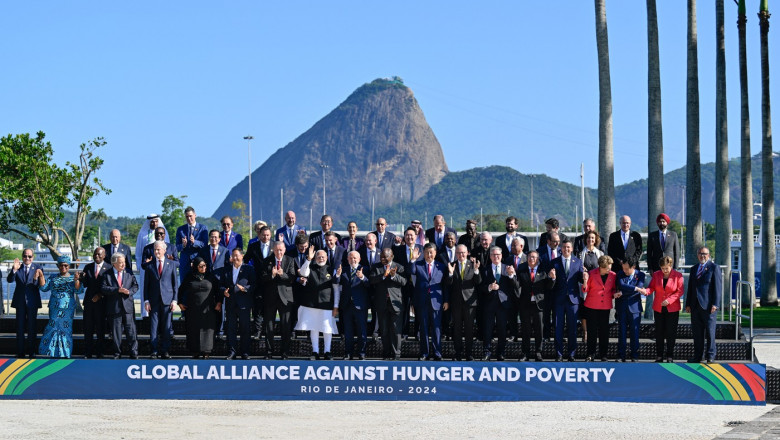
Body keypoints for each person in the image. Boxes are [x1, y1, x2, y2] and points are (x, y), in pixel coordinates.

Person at [296, 248, 340, 360]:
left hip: (327, 304)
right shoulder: (310, 267)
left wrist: (336, 306)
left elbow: (336, 289)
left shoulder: (331, 269)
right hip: (311, 304)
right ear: (315, 258)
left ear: (326, 258)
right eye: (319, 257)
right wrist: (308, 259)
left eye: (323, 257)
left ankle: (327, 351)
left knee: (327, 329)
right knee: (313, 328)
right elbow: (303, 273)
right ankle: (315, 351)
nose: (321, 258)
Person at [409, 243, 449, 361]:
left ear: (435, 253)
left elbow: (445, 285)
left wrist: (446, 301)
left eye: (431, 252)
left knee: (437, 328)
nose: (429, 255)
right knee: (424, 328)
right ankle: (424, 353)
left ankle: (437, 353)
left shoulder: (441, 266)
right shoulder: (418, 265)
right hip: (422, 302)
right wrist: (413, 259)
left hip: (436, 302)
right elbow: (410, 271)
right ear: (423, 253)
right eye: (427, 252)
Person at [480, 246, 519, 361]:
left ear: (501, 256)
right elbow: (480, 287)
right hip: (489, 304)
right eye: (493, 255)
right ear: (490, 256)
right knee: (487, 329)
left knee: (502, 330)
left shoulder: (507, 268)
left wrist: (511, 275)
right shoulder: (485, 269)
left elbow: (515, 286)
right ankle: (487, 352)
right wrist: (489, 287)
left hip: (503, 304)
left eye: (498, 255)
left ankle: (500, 353)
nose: (496, 257)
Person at [38, 255, 81, 358]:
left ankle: (64, 354)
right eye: (61, 265)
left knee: (65, 331)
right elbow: (43, 288)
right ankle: (49, 352)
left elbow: (78, 290)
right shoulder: (53, 277)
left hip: (67, 309)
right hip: (54, 308)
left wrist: (76, 280)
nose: (63, 268)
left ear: (69, 266)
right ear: (58, 266)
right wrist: (41, 275)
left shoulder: (72, 277)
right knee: (52, 328)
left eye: (66, 265)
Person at [642, 255, 684, 363]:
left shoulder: (678, 275)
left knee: (671, 332)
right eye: (662, 268)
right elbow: (651, 287)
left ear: (671, 266)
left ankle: (670, 355)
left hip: (672, 308)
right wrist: (646, 291)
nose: (664, 271)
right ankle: (659, 356)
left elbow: (680, 291)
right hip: (659, 308)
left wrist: (669, 300)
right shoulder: (656, 275)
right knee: (659, 332)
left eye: (667, 268)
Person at [549, 240, 585, 362]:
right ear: (561, 248)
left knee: (572, 328)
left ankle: (571, 354)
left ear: (572, 248)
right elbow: (550, 283)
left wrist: (585, 277)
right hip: (558, 299)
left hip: (573, 300)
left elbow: (581, 279)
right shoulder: (554, 262)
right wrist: (552, 278)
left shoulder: (578, 262)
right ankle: (558, 354)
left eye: (568, 247)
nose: (566, 249)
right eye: (564, 247)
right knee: (558, 327)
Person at [178, 256, 221, 359]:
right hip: (193, 309)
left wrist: (219, 302)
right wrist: (180, 303)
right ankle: (195, 351)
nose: (203, 268)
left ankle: (206, 351)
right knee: (193, 330)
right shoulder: (189, 276)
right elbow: (181, 290)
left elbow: (218, 290)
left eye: (204, 265)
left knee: (207, 331)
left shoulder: (211, 276)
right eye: (200, 266)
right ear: (196, 267)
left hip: (208, 310)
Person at [143, 240, 179, 359]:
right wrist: (146, 301)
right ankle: (153, 350)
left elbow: (175, 284)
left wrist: (174, 300)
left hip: (167, 301)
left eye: (159, 249)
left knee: (166, 327)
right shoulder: (149, 266)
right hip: (153, 301)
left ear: (164, 250)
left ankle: (165, 351)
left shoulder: (172, 264)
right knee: (153, 327)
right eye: (155, 250)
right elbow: (146, 285)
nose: (156, 252)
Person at [369, 248, 407, 360]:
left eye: (385, 257)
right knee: (384, 330)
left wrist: (394, 276)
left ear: (392, 256)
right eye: (381, 257)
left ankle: (396, 354)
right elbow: (371, 280)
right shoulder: (376, 267)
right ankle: (386, 353)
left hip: (396, 303)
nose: (383, 259)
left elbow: (404, 282)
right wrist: (383, 276)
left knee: (396, 330)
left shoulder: (399, 267)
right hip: (381, 303)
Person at [685, 246, 722, 363]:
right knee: (697, 333)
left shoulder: (714, 268)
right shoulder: (694, 268)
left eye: (705, 254)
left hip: (709, 306)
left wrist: (715, 304)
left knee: (710, 332)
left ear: (709, 255)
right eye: (700, 254)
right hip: (695, 306)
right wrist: (688, 304)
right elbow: (690, 287)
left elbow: (718, 287)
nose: (703, 256)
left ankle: (710, 355)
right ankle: (698, 356)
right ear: (697, 255)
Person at [261, 241, 297, 359]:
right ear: (273, 250)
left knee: (285, 326)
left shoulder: (290, 260)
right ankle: (269, 352)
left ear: (285, 250)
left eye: (281, 250)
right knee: (269, 326)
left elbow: (292, 277)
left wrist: (282, 275)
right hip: (270, 298)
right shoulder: (267, 260)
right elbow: (262, 277)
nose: (279, 252)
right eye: (277, 250)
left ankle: (285, 352)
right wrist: (271, 275)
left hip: (285, 298)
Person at [445, 245, 481, 361]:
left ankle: (469, 353)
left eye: (463, 253)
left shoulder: (473, 265)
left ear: (467, 253)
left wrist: (476, 271)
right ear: (456, 254)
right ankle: (458, 353)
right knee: (457, 329)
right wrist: (450, 274)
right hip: (456, 302)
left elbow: (478, 282)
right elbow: (447, 284)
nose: (461, 255)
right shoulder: (452, 265)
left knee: (469, 329)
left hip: (470, 302)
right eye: (459, 253)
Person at [516, 251, 553, 361]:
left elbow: (548, 287)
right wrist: (512, 275)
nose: (531, 259)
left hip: (539, 304)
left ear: (538, 259)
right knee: (525, 330)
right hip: (525, 303)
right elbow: (517, 284)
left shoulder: (543, 269)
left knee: (539, 330)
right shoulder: (522, 268)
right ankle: (525, 353)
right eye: (530, 257)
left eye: (534, 257)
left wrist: (552, 279)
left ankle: (538, 352)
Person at [101, 253, 139, 359]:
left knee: (131, 331)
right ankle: (117, 353)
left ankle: (134, 352)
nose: (123, 264)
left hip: (128, 306)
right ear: (114, 263)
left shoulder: (129, 273)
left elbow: (135, 285)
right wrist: (117, 290)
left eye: (124, 262)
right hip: (114, 307)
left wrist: (129, 292)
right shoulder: (107, 274)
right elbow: (103, 288)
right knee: (116, 332)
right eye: (121, 262)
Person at [7, 249, 43, 358]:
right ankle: (20, 352)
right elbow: (9, 280)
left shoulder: (38, 268)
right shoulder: (18, 267)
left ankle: (32, 352)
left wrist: (37, 278)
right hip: (20, 302)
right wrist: (14, 269)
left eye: (29, 256)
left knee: (32, 328)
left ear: (33, 257)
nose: (27, 258)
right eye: (25, 256)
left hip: (32, 302)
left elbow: (40, 285)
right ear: (22, 257)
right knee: (20, 328)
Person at [645, 213, 680, 319]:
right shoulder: (652, 235)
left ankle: (669, 317)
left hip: (670, 270)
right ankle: (658, 317)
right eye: (660, 221)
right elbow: (649, 253)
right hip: (657, 270)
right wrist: (650, 268)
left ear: (667, 223)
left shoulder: (673, 235)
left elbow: (676, 252)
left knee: (671, 292)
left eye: (663, 221)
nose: (662, 223)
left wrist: (675, 269)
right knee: (658, 294)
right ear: (657, 223)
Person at [222, 248, 255, 360]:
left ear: (242, 256)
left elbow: (254, 285)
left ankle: (245, 352)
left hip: (244, 304)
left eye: (237, 255)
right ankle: (232, 352)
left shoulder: (249, 269)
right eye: (233, 256)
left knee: (245, 328)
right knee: (231, 329)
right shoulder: (226, 270)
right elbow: (221, 284)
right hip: (230, 303)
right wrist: (224, 291)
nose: (235, 258)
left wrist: (245, 289)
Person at [581, 255, 615, 362]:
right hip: (591, 307)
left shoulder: (613, 275)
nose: (609, 270)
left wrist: (615, 294)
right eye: (607, 268)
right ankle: (590, 354)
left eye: (610, 267)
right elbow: (584, 290)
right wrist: (585, 281)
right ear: (601, 267)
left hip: (605, 307)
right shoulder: (591, 274)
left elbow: (613, 289)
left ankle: (603, 355)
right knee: (591, 332)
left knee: (604, 332)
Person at [338, 251, 371, 360]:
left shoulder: (365, 269)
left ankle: (361, 353)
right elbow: (336, 282)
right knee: (348, 331)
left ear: (359, 259)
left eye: (355, 258)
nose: (353, 260)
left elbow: (369, 285)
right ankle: (348, 353)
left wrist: (362, 277)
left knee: (362, 331)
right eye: (351, 258)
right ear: (348, 259)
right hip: (347, 305)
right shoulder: (344, 269)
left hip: (360, 305)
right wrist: (337, 275)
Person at [393, 227, 423, 339]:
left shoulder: (421, 249)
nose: (409, 237)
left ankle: (418, 333)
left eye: (412, 235)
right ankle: (404, 333)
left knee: (418, 309)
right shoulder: (398, 250)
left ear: (416, 237)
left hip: (418, 285)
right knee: (404, 309)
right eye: (407, 235)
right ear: (404, 237)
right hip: (403, 284)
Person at [614, 257, 645, 362]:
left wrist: (623, 293)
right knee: (621, 333)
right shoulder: (620, 274)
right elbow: (622, 285)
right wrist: (635, 288)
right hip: (622, 307)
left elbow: (639, 288)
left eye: (627, 269)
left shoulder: (641, 275)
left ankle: (634, 355)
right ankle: (621, 355)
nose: (625, 271)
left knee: (634, 333)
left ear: (634, 267)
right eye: (623, 268)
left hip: (635, 308)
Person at [82, 247, 111, 358]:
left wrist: (101, 295)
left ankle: (100, 352)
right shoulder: (88, 267)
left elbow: (110, 286)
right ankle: (88, 352)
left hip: (102, 303)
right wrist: (81, 278)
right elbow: (85, 284)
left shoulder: (109, 268)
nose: (96, 256)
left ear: (104, 255)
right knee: (88, 328)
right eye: (95, 254)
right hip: (89, 302)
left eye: (99, 254)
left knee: (100, 329)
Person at [576, 229, 604, 342]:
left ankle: (594, 332)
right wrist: (581, 269)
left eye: (592, 238)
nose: (590, 240)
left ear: (595, 240)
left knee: (595, 310)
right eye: (588, 238)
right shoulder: (580, 254)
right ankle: (585, 332)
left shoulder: (600, 254)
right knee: (584, 310)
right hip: (584, 285)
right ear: (585, 240)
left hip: (596, 286)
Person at [245, 225, 272, 338]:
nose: (265, 237)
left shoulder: (275, 245)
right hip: (257, 281)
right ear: (259, 235)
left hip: (271, 281)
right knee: (257, 308)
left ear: (270, 235)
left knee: (269, 308)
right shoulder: (253, 246)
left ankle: (267, 331)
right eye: (263, 235)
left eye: (267, 235)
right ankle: (258, 331)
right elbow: (246, 259)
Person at [176, 206, 209, 283]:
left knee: (197, 284)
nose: (189, 218)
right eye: (187, 217)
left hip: (197, 261)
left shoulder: (203, 228)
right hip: (185, 263)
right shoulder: (180, 229)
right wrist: (183, 245)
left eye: (190, 216)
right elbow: (177, 247)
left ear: (195, 215)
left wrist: (195, 242)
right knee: (184, 286)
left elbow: (205, 244)